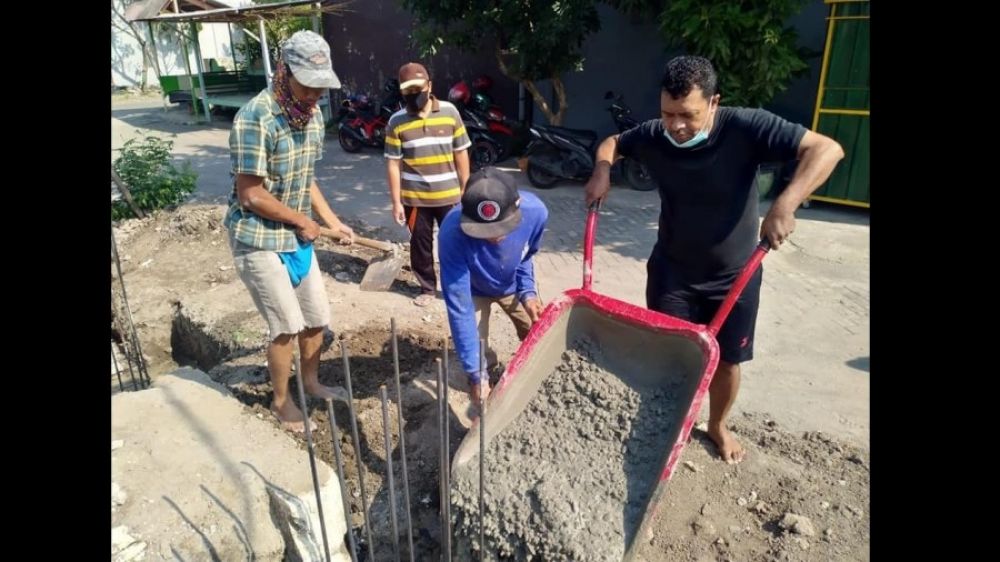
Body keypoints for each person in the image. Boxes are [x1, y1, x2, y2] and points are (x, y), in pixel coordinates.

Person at [584, 55, 845, 463]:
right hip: (673, 272)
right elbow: (614, 142)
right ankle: (669, 421)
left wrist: (786, 203)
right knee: (672, 357)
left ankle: (717, 425)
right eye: (667, 113)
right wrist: (602, 169)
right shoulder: (655, 135)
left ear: (714, 102)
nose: (675, 125)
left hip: (734, 277)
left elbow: (827, 149)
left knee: (726, 361)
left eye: (687, 114)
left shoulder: (746, 127)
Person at [224, 30, 355, 433]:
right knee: (285, 325)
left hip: (296, 239)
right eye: (309, 85)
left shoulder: (312, 116)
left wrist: (331, 221)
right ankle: (282, 402)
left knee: (315, 318)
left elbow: (306, 179)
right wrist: (301, 220)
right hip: (258, 237)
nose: (316, 94)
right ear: (284, 72)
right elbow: (250, 194)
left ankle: (311, 382)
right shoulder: (255, 118)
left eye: (322, 86)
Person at [439, 167, 548, 404]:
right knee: (477, 344)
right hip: (474, 290)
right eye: (483, 231)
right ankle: (486, 374)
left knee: (537, 332)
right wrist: (476, 374)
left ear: (517, 205)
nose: (493, 237)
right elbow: (459, 306)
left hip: (511, 286)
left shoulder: (536, 213)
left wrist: (528, 292)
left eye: (501, 228)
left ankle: (529, 376)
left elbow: (526, 256)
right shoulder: (451, 232)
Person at [384, 62, 472, 307]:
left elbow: (461, 152)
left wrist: (466, 188)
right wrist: (396, 201)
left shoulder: (449, 112)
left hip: (450, 197)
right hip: (415, 199)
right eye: (408, 90)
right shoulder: (396, 121)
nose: (414, 95)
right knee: (420, 245)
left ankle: (456, 286)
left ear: (430, 85)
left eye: (418, 88)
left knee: (454, 243)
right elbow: (393, 163)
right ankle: (427, 288)